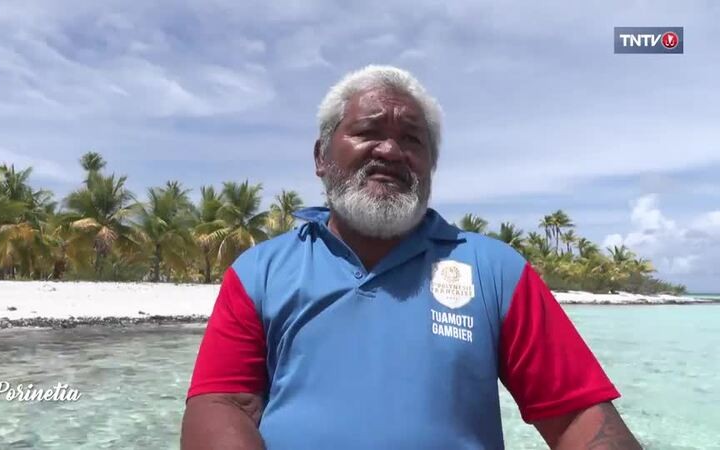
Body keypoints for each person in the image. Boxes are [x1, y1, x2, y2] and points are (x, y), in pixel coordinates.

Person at [180, 65, 642, 450]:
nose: (390, 151)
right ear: (321, 156)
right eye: (368, 132)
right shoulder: (260, 271)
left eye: (412, 140)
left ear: (430, 166)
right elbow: (223, 403)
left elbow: (577, 415)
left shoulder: (496, 270)